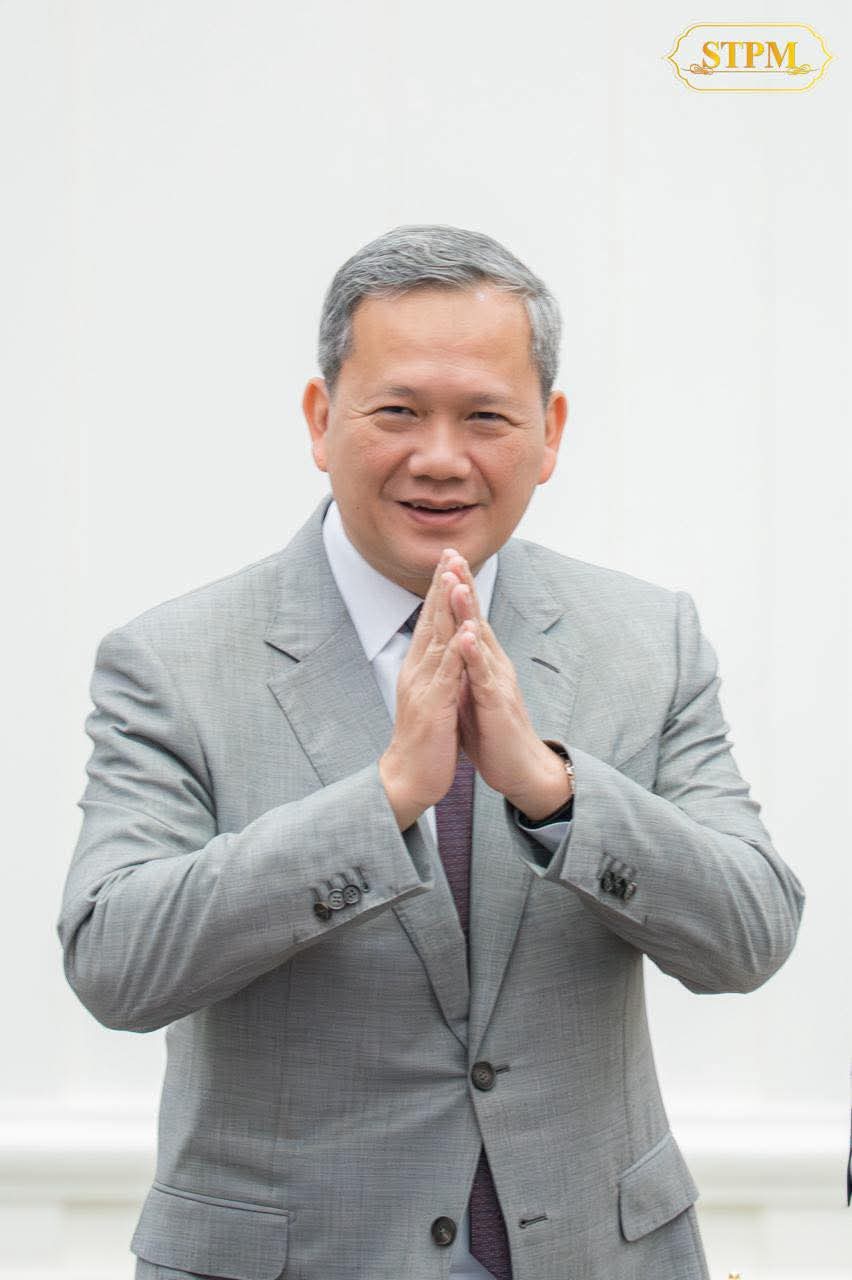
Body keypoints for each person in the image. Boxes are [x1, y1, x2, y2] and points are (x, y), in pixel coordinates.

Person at [57, 224, 805, 1280]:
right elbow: (115, 962)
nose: (442, 457)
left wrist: (554, 794)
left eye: (486, 416)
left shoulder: (648, 640)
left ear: (549, 432)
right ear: (321, 420)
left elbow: (751, 933)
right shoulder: (174, 661)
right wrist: (381, 801)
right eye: (398, 411)